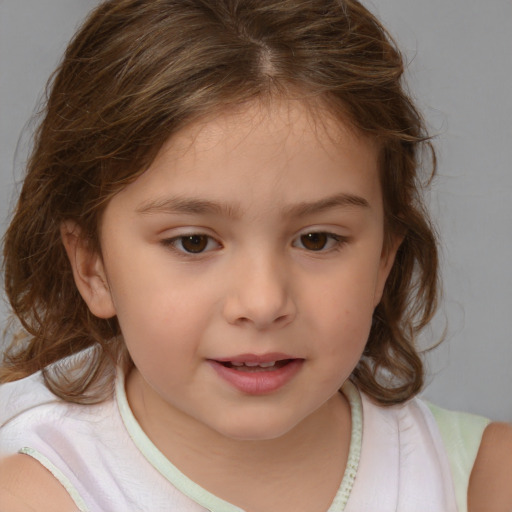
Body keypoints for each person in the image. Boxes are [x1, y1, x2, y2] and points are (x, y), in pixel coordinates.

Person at [0, 0, 511, 510]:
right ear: (92, 267)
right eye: (193, 242)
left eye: (317, 239)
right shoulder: (34, 495)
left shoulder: (486, 483)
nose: (263, 302)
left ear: (383, 260)